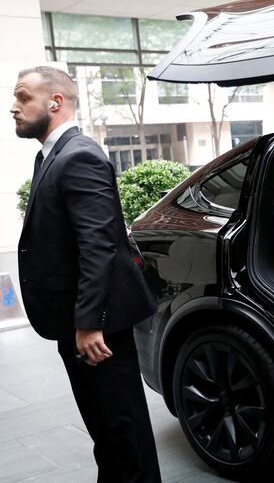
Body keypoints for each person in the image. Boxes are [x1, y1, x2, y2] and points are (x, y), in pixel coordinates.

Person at [11, 66, 161, 482]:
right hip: (77, 324)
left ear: (55, 102)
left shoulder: (78, 155)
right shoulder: (52, 155)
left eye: (23, 97)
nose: (13, 107)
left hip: (96, 328)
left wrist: (89, 324)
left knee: (124, 431)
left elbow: (99, 246)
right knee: (106, 431)